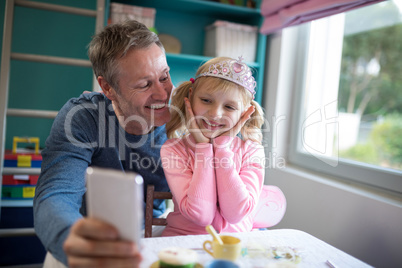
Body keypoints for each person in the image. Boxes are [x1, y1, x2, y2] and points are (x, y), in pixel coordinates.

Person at [33, 20, 172, 267]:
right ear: (108, 87)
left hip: (154, 235)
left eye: (165, 76)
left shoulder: (189, 117)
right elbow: (57, 193)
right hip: (87, 235)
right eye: (144, 84)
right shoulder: (83, 118)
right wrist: (69, 235)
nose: (163, 94)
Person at [160, 56, 265, 236]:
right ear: (191, 97)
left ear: (245, 112)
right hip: (183, 242)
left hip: (234, 245)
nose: (215, 114)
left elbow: (235, 214)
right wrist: (203, 148)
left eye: (230, 107)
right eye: (206, 100)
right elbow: (201, 215)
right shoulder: (173, 149)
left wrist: (222, 148)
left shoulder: (252, 150)